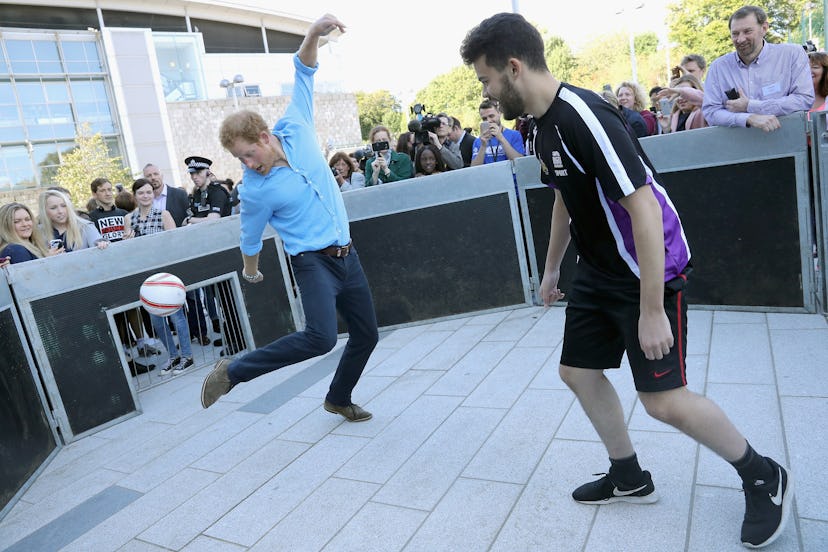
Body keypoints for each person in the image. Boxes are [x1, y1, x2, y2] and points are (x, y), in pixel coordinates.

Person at [461, 12, 793, 549]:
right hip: (597, 271)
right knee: (578, 371)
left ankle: (762, 473)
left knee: (664, 401)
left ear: (513, 67)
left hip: (647, 269)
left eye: (486, 79)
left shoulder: (583, 118)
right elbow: (565, 200)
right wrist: (550, 271)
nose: (487, 92)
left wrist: (653, 308)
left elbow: (642, 210)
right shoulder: (540, 126)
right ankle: (629, 476)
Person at [203, 13, 379, 423]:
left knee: (367, 334)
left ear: (265, 137)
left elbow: (304, 70)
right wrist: (250, 271)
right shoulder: (255, 188)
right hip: (311, 262)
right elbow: (250, 238)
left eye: (248, 153)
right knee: (320, 338)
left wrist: (313, 33)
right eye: (238, 159)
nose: (247, 163)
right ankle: (233, 371)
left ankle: (338, 397)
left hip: (347, 256)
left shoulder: (296, 125)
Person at [702, 5, 813, 132]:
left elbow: (804, 99)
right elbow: (711, 112)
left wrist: (750, 106)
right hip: (737, 148)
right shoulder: (718, 67)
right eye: (735, 34)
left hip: (787, 145)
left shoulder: (792, 54)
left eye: (747, 31)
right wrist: (748, 118)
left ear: (764, 28)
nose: (740, 39)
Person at [125, 178, 193, 374]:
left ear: (152, 194)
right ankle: (173, 356)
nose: (145, 196)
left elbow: (174, 242)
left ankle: (187, 356)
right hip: (146, 277)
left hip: (166, 274)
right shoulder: (129, 218)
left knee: (177, 317)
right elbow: (128, 250)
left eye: (148, 192)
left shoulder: (164, 214)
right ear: (135, 196)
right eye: (141, 193)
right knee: (156, 321)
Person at [37, 189, 109, 253]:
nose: (60, 211)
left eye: (63, 205)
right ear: (44, 211)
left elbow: (102, 249)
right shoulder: (38, 232)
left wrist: (102, 244)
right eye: (53, 208)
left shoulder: (86, 227)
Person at [470, 99, 526, 165]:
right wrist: (483, 146)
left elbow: (520, 162)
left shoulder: (514, 135)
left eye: (491, 116)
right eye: (484, 119)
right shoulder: (479, 141)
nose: (489, 120)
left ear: (499, 113)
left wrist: (501, 138)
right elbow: (474, 168)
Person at [87, 177, 128, 242]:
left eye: (109, 189)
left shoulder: (124, 214)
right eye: (102, 191)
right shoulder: (90, 218)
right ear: (94, 194)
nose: (108, 194)